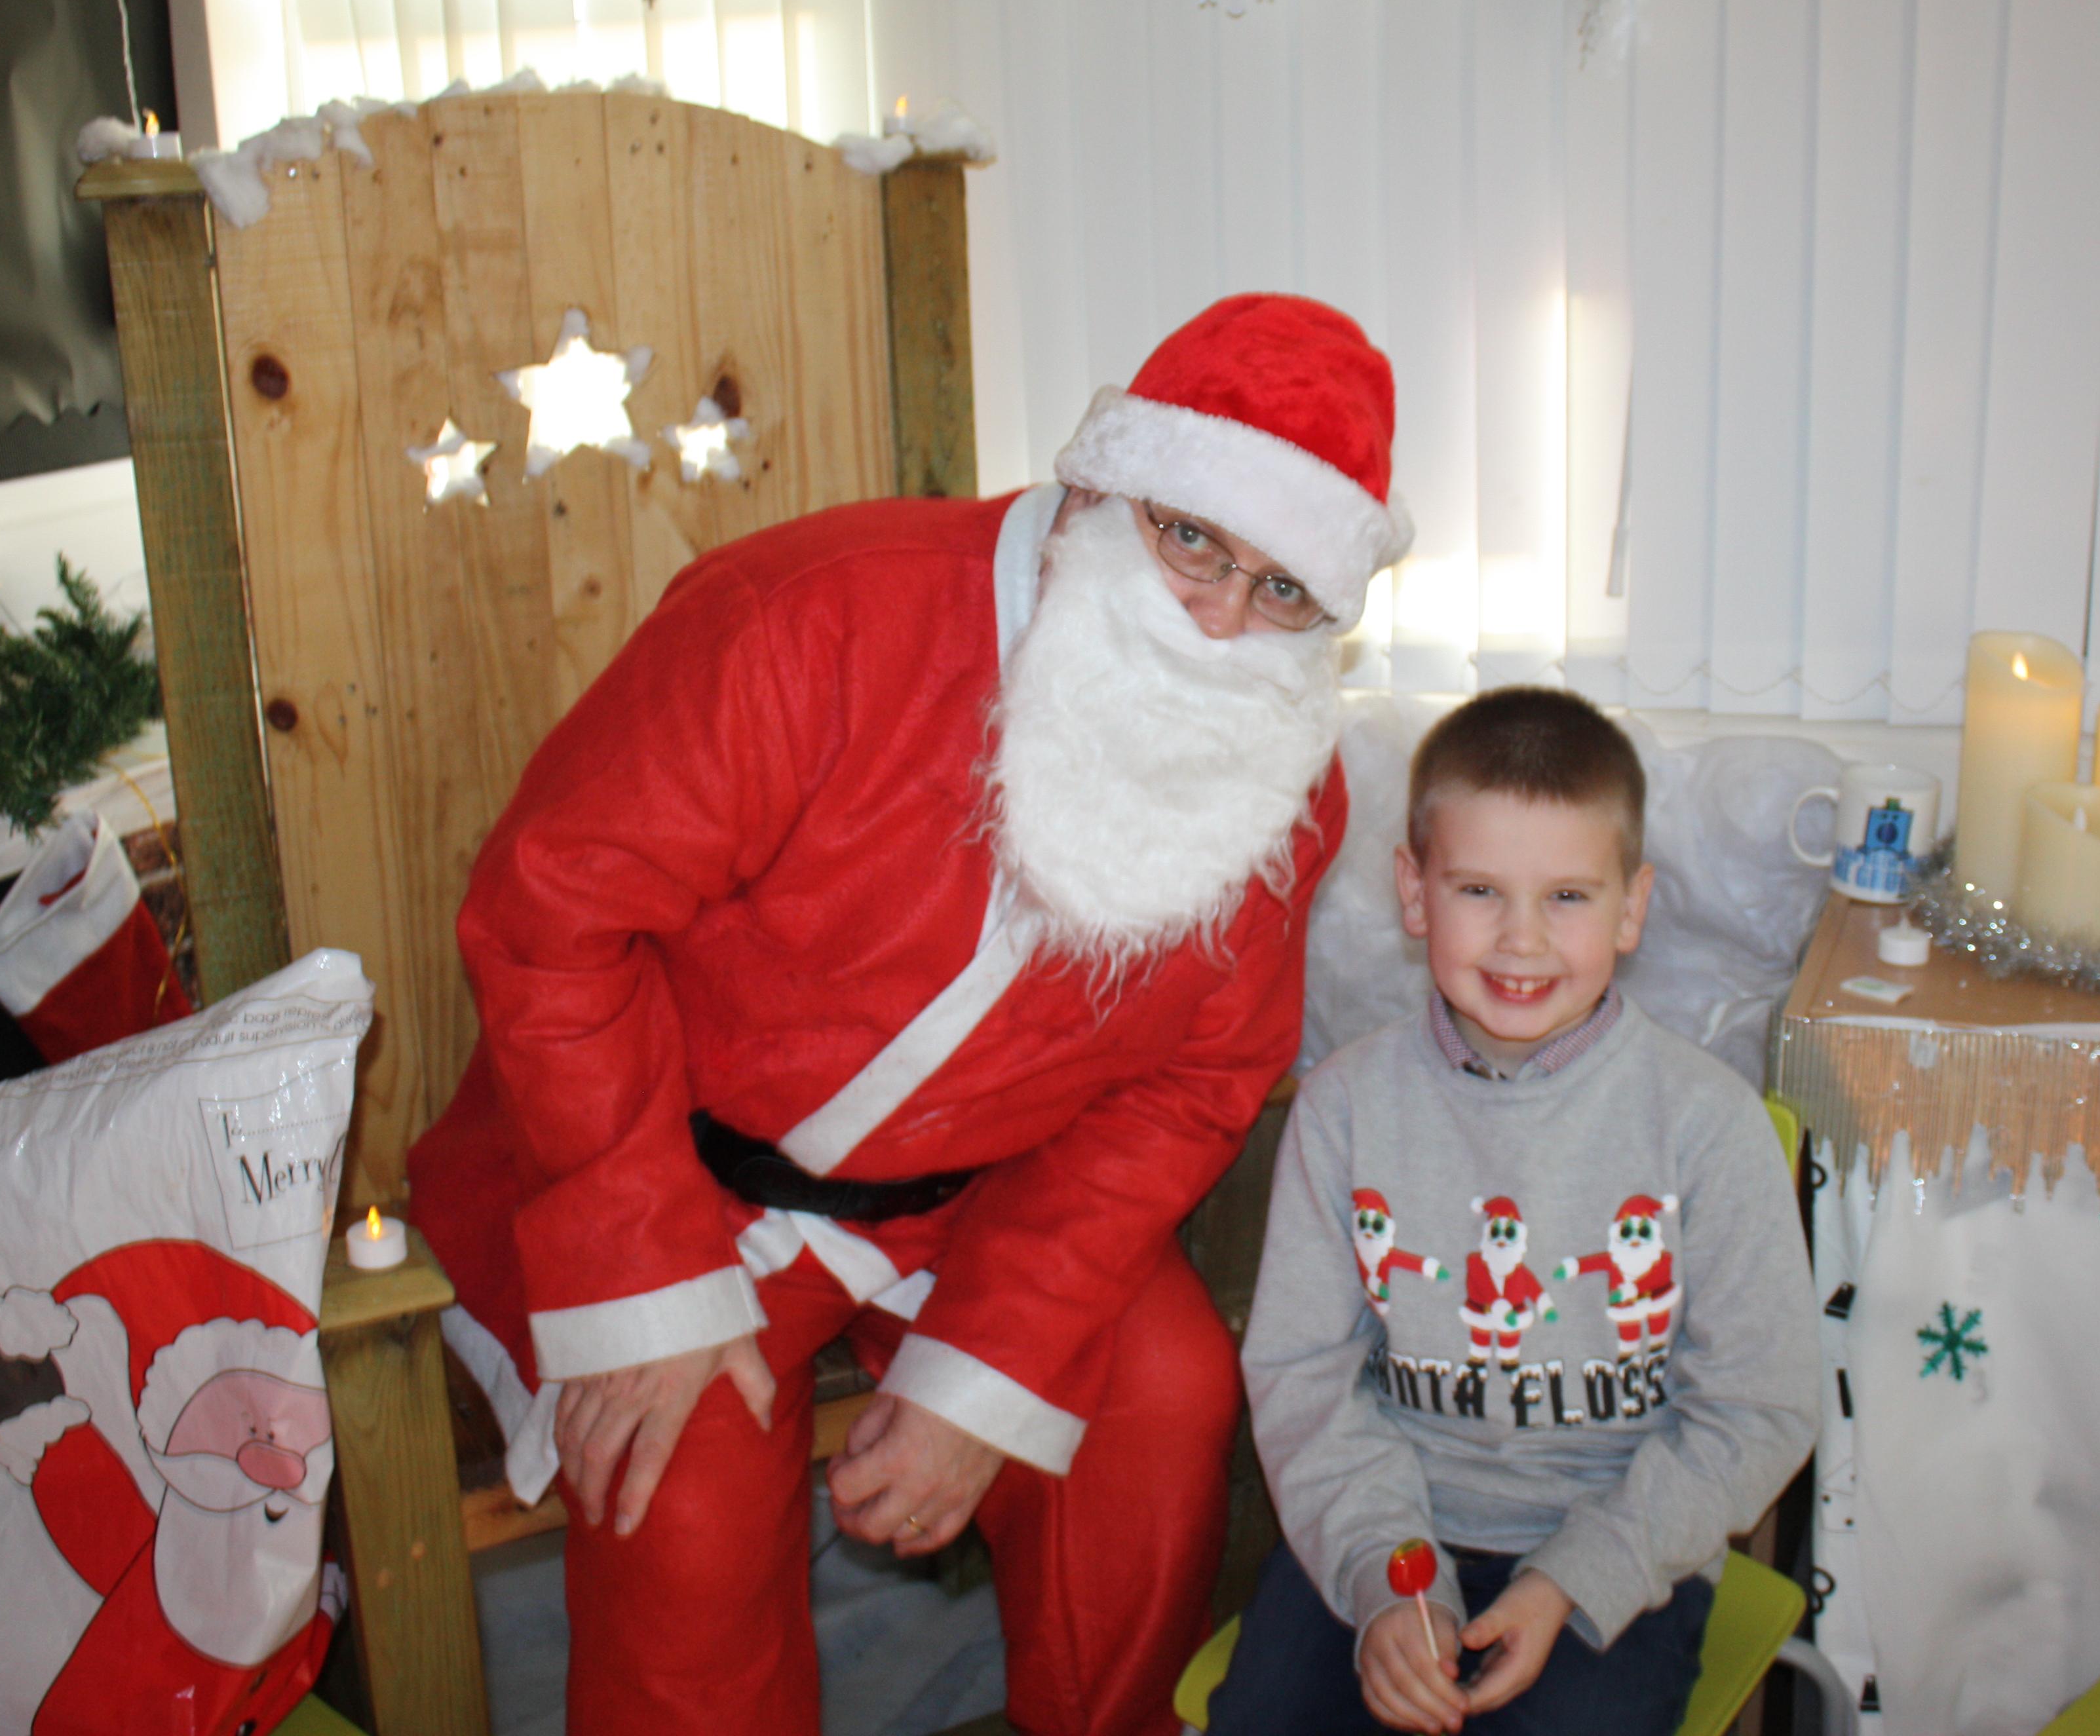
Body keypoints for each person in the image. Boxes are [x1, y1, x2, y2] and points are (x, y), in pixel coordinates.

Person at [406, 293, 1412, 1735]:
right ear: (1102, 486)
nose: (1219, 615)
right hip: (660, 1167)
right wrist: (645, 1267)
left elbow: (1193, 1085)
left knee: (1162, 1396)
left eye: (1284, 590)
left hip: (986, 1201)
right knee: (676, 1496)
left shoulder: (1278, 784)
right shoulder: (811, 616)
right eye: (1191, 537)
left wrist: (979, 1371)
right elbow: (554, 912)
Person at [1209, 688, 1819, 1736]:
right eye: (1480, 890)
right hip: (1385, 1536)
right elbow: (1304, 1379)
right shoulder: (1344, 1108)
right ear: (1415, 894)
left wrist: (1575, 1579)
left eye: (1568, 897)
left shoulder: (1708, 1123)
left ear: (1632, 908)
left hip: (1618, 1555)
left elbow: (1758, 1409)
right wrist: (1391, 1579)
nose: (1521, 939)